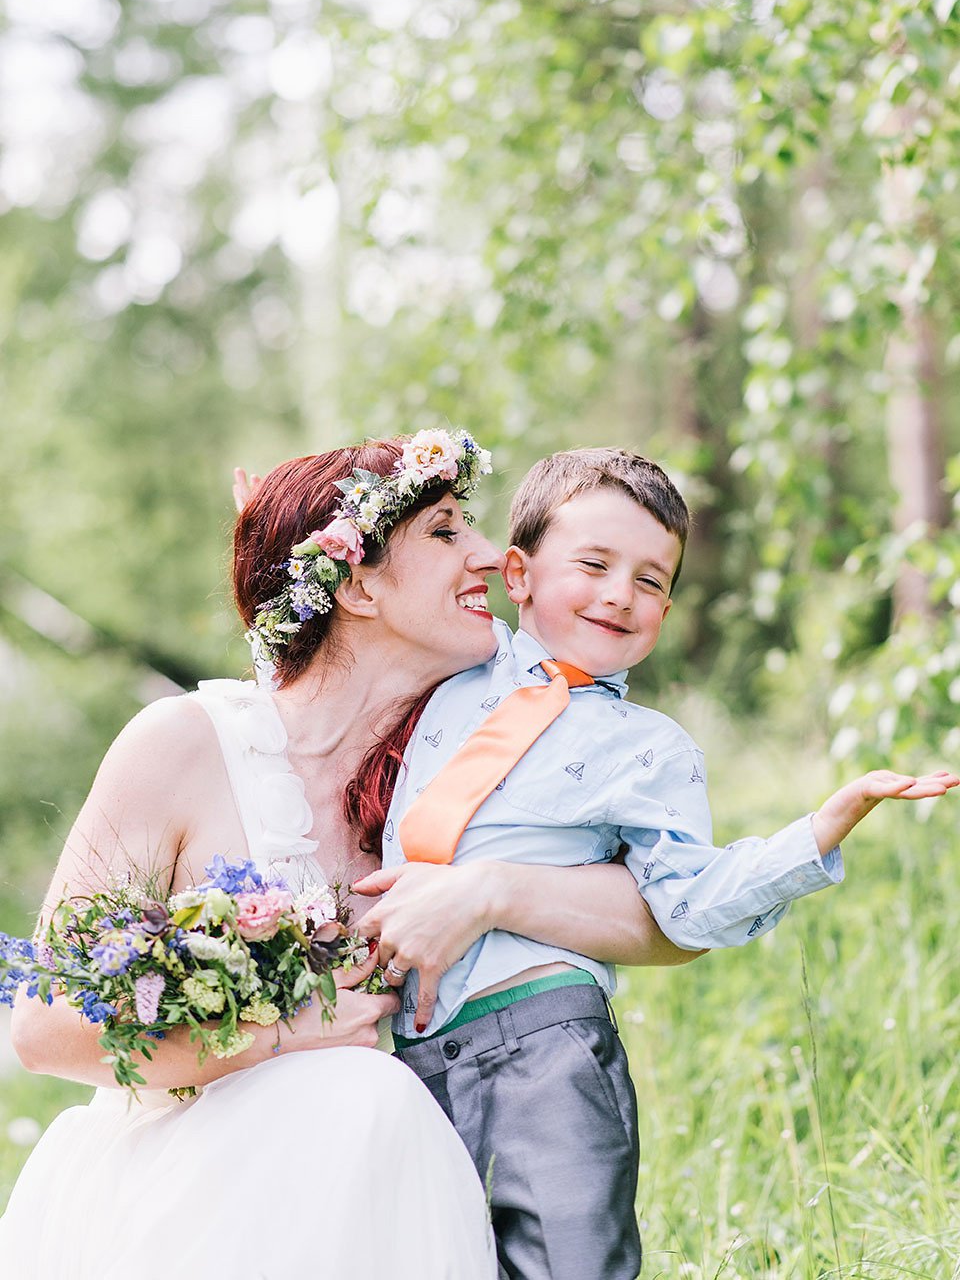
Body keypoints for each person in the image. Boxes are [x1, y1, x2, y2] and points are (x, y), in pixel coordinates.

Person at [0, 431, 689, 1279]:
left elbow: (667, 914)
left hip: (381, 1202)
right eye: (445, 531)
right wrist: (280, 1036)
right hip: (192, 1197)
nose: (483, 555)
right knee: (362, 1092)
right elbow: (41, 1027)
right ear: (357, 582)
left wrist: (491, 890)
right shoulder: (185, 744)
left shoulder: (454, 775)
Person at [365, 447, 959, 1280]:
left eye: (650, 581)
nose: (620, 594)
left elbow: (687, 901)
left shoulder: (650, 751)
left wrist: (819, 830)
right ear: (518, 573)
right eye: (596, 564)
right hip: (414, 1053)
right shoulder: (449, 668)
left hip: (546, 1045)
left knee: (568, 1263)